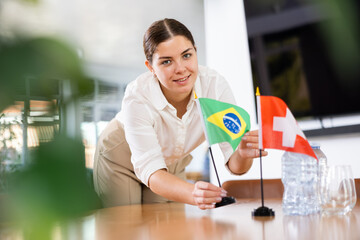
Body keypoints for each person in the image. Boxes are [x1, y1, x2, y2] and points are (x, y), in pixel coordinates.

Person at [93, 18, 267, 210]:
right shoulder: (137, 96)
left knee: (170, 227)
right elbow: (151, 170)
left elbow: (236, 166)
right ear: (151, 67)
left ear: (195, 51)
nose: (181, 69)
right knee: (127, 224)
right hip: (121, 159)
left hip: (171, 163)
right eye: (166, 61)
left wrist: (242, 154)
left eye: (186, 55)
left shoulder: (214, 86)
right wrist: (194, 194)